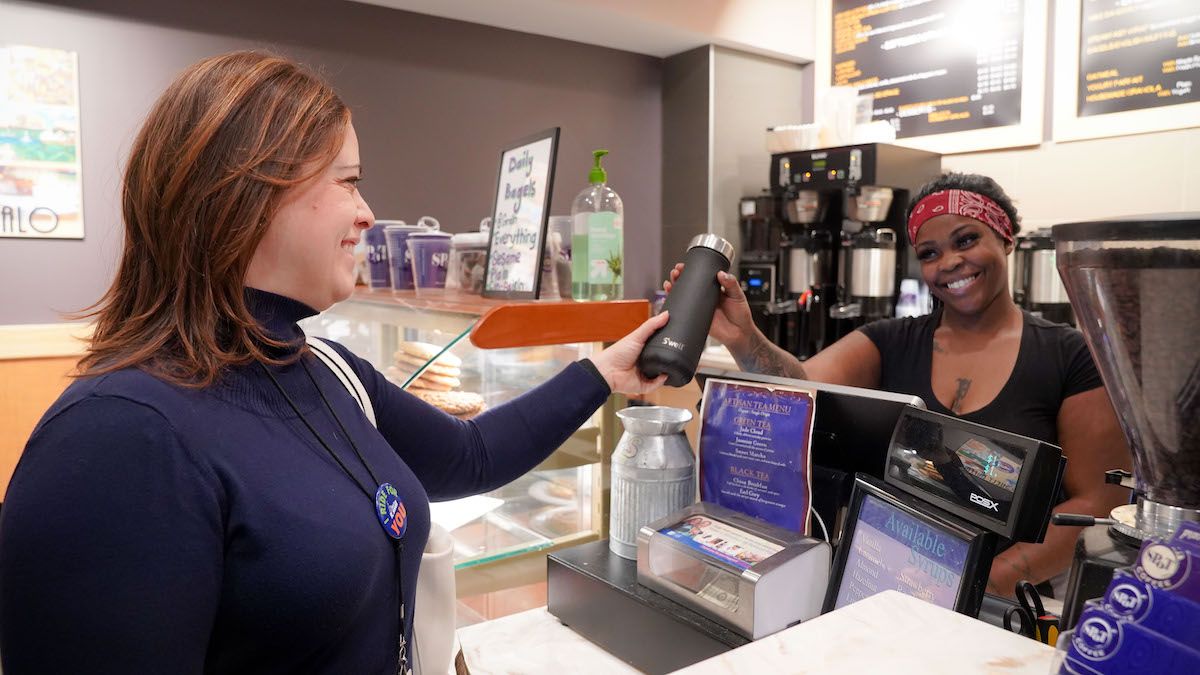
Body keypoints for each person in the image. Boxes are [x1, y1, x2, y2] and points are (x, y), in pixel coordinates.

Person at [0, 51, 669, 674]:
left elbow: (469, 456)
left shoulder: (323, 367)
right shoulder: (117, 438)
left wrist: (605, 372)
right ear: (246, 194)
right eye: (348, 182)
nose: (368, 213)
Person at [666, 172, 1131, 598]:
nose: (950, 263)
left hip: (1005, 602)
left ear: (1006, 239)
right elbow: (798, 390)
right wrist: (744, 336)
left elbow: (1100, 500)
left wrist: (983, 584)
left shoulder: (1069, 355)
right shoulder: (890, 341)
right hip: (885, 587)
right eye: (930, 253)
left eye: (966, 240)